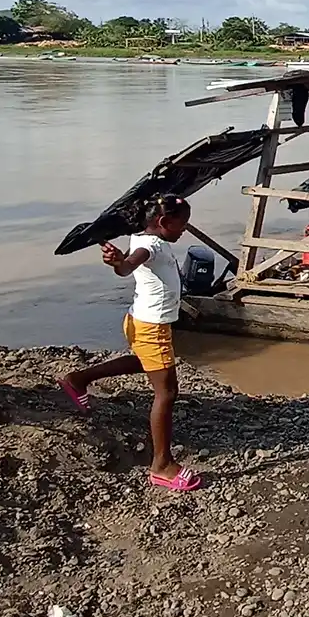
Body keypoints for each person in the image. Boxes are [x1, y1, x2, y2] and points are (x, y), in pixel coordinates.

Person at [58, 194, 201, 492]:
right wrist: (118, 263)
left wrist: (121, 262)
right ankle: (162, 466)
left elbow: (128, 262)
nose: (185, 229)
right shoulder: (150, 246)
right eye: (182, 224)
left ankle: (78, 379)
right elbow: (127, 267)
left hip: (140, 320)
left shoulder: (142, 238)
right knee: (167, 393)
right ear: (164, 222)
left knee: (142, 362)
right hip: (152, 328)